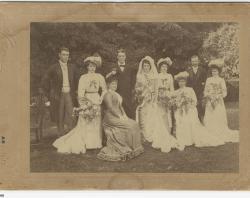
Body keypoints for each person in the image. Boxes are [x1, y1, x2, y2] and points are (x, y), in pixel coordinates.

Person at [53, 56, 107, 154]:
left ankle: (96, 143)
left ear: (96, 67)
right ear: (87, 67)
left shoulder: (100, 76)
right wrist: (84, 104)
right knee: (86, 120)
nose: (92, 68)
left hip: (96, 99)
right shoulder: (83, 77)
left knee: (96, 121)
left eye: (93, 66)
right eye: (90, 66)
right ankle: (86, 143)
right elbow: (81, 93)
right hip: (87, 100)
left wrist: (101, 98)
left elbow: (104, 89)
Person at [173, 71, 224, 151]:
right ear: (178, 83)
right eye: (180, 82)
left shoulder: (190, 90)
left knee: (190, 118)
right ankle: (185, 138)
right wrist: (179, 104)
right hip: (181, 110)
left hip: (189, 109)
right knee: (180, 118)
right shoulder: (176, 92)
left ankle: (192, 138)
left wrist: (189, 105)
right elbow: (174, 102)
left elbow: (194, 100)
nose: (181, 83)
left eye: (183, 81)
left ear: (185, 82)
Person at [135, 56, 178, 152]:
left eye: (147, 66)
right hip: (143, 100)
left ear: (150, 67)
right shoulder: (139, 76)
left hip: (152, 100)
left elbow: (155, 89)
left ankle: (152, 135)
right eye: (144, 66)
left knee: (152, 117)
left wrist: (153, 98)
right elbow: (137, 88)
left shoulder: (154, 76)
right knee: (144, 118)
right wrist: (140, 93)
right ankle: (145, 136)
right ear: (142, 67)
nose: (146, 67)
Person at [97, 76, 144, 161]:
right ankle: (126, 148)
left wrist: (125, 116)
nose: (114, 85)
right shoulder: (107, 94)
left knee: (134, 123)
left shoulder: (116, 94)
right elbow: (110, 108)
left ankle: (134, 148)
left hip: (119, 115)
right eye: (113, 84)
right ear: (108, 85)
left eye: (116, 84)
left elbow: (120, 107)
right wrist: (119, 116)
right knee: (129, 126)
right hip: (110, 117)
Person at [41, 47, 78, 136]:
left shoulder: (72, 67)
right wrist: (49, 92)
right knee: (59, 114)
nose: (65, 57)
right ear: (59, 55)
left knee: (72, 114)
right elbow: (45, 80)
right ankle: (60, 134)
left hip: (69, 93)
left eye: (67, 55)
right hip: (58, 94)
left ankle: (72, 134)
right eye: (64, 54)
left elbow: (76, 80)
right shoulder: (54, 67)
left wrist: (76, 91)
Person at [203, 59, 239, 143]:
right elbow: (205, 91)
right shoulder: (208, 80)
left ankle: (219, 132)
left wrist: (218, 96)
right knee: (210, 117)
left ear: (218, 72)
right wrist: (209, 96)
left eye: (215, 71)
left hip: (218, 101)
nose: (214, 73)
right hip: (210, 101)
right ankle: (210, 132)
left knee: (218, 116)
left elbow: (224, 92)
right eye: (212, 71)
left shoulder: (221, 80)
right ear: (211, 72)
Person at [106, 49, 137, 119]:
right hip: (117, 92)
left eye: (123, 56)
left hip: (128, 93)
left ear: (125, 57)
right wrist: (111, 73)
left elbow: (133, 80)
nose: (121, 58)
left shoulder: (130, 67)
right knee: (118, 111)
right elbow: (107, 80)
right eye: (119, 56)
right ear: (117, 57)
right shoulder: (113, 67)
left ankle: (131, 127)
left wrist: (132, 90)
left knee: (129, 111)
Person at [187, 55, 207, 122]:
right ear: (191, 62)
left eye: (196, 61)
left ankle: (200, 120)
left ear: (198, 61)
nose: (194, 62)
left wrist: (203, 90)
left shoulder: (203, 70)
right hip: (191, 91)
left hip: (200, 91)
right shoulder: (188, 70)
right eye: (193, 61)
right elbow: (187, 82)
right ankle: (193, 121)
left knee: (200, 106)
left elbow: (205, 81)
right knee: (191, 106)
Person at [157, 57, 175, 134]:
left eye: (165, 67)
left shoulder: (169, 76)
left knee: (168, 112)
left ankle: (168, 130)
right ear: (160, 68)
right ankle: (160, 130)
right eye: (162, 67)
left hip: (167, 95)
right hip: (159, 95)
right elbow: (155, 87)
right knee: (160, 112)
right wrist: (159, 95)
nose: (164, 68)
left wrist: (171, 97)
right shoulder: (157, 76)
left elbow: (172, 88)